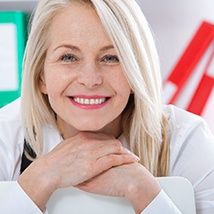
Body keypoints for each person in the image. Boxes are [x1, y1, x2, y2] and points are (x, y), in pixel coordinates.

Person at [0, 0, 214, 213]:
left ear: (135, 73)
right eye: (68, 57)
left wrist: (144, 192)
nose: (90, 79)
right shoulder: (6, 136)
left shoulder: (187, 140)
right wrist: (38, 181)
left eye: (111, 58)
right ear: (41, 76)